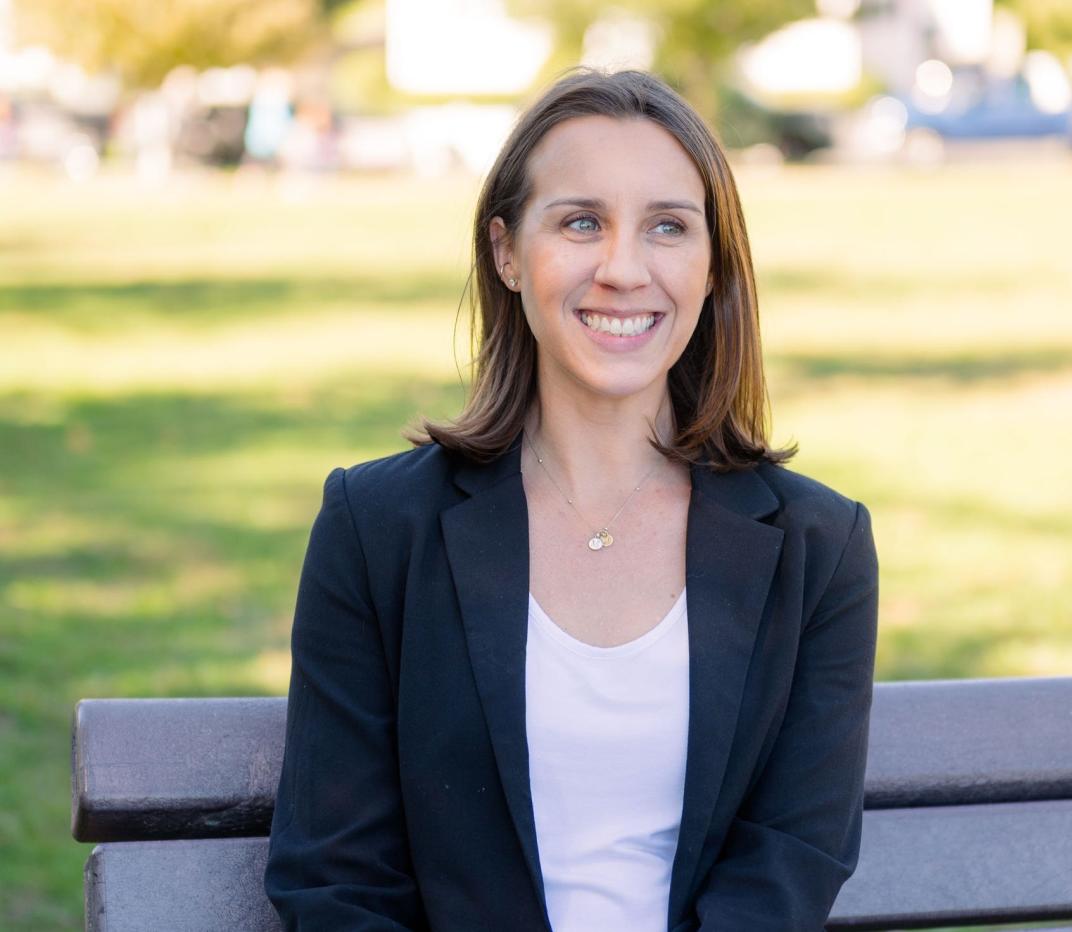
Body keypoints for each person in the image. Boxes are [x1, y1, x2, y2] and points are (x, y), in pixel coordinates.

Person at [264, 67, 878, 932]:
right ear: (507, 252)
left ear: (712, 268)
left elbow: (789, 865)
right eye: (581, 222)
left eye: (668, 226)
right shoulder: (377, 530)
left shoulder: (820, 545)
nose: (623, 270)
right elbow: (336, 877)